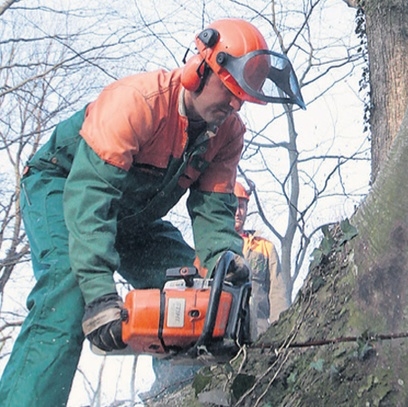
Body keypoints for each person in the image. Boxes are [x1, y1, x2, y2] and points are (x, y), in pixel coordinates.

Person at [0, 18, 305, 407]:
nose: (233, 105)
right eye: (229, 91)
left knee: (194, 294)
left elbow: (214, 210)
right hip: (63, 190)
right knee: (69, 291)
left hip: (133, 217)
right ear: (200, 70)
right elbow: (90, 197)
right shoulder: (136, 103)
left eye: (242, 98)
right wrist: (99, 294)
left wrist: (225, 262)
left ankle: (182, 395)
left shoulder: (228, 133)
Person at [233, 182, 292, 339]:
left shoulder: (265, 247)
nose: (237, 212)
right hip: (223, 332)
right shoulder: (215, 248)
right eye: (233, 206)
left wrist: (279, 331)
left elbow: (278, 293)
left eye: (241, 206)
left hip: (260, 331)